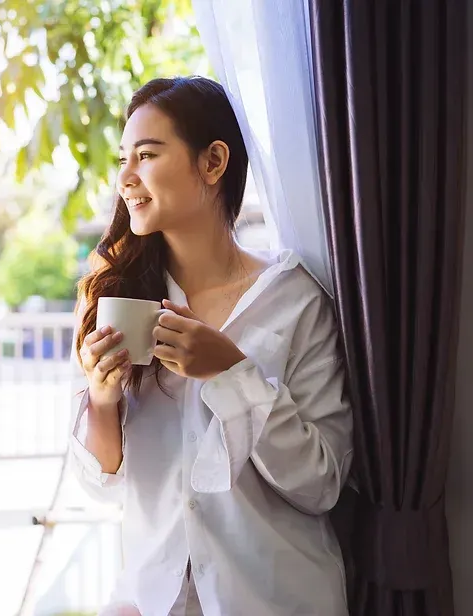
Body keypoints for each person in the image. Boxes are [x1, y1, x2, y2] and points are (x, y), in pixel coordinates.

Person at [69, 77, 353, 616]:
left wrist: (232, 373)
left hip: (274, 600)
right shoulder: (115, 298)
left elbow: (321, 484)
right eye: (123, 159)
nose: (125, 177)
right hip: (151, 601)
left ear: (213, 162)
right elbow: (104, 487)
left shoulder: (294, 299)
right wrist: (101, 398)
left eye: (146, 155)